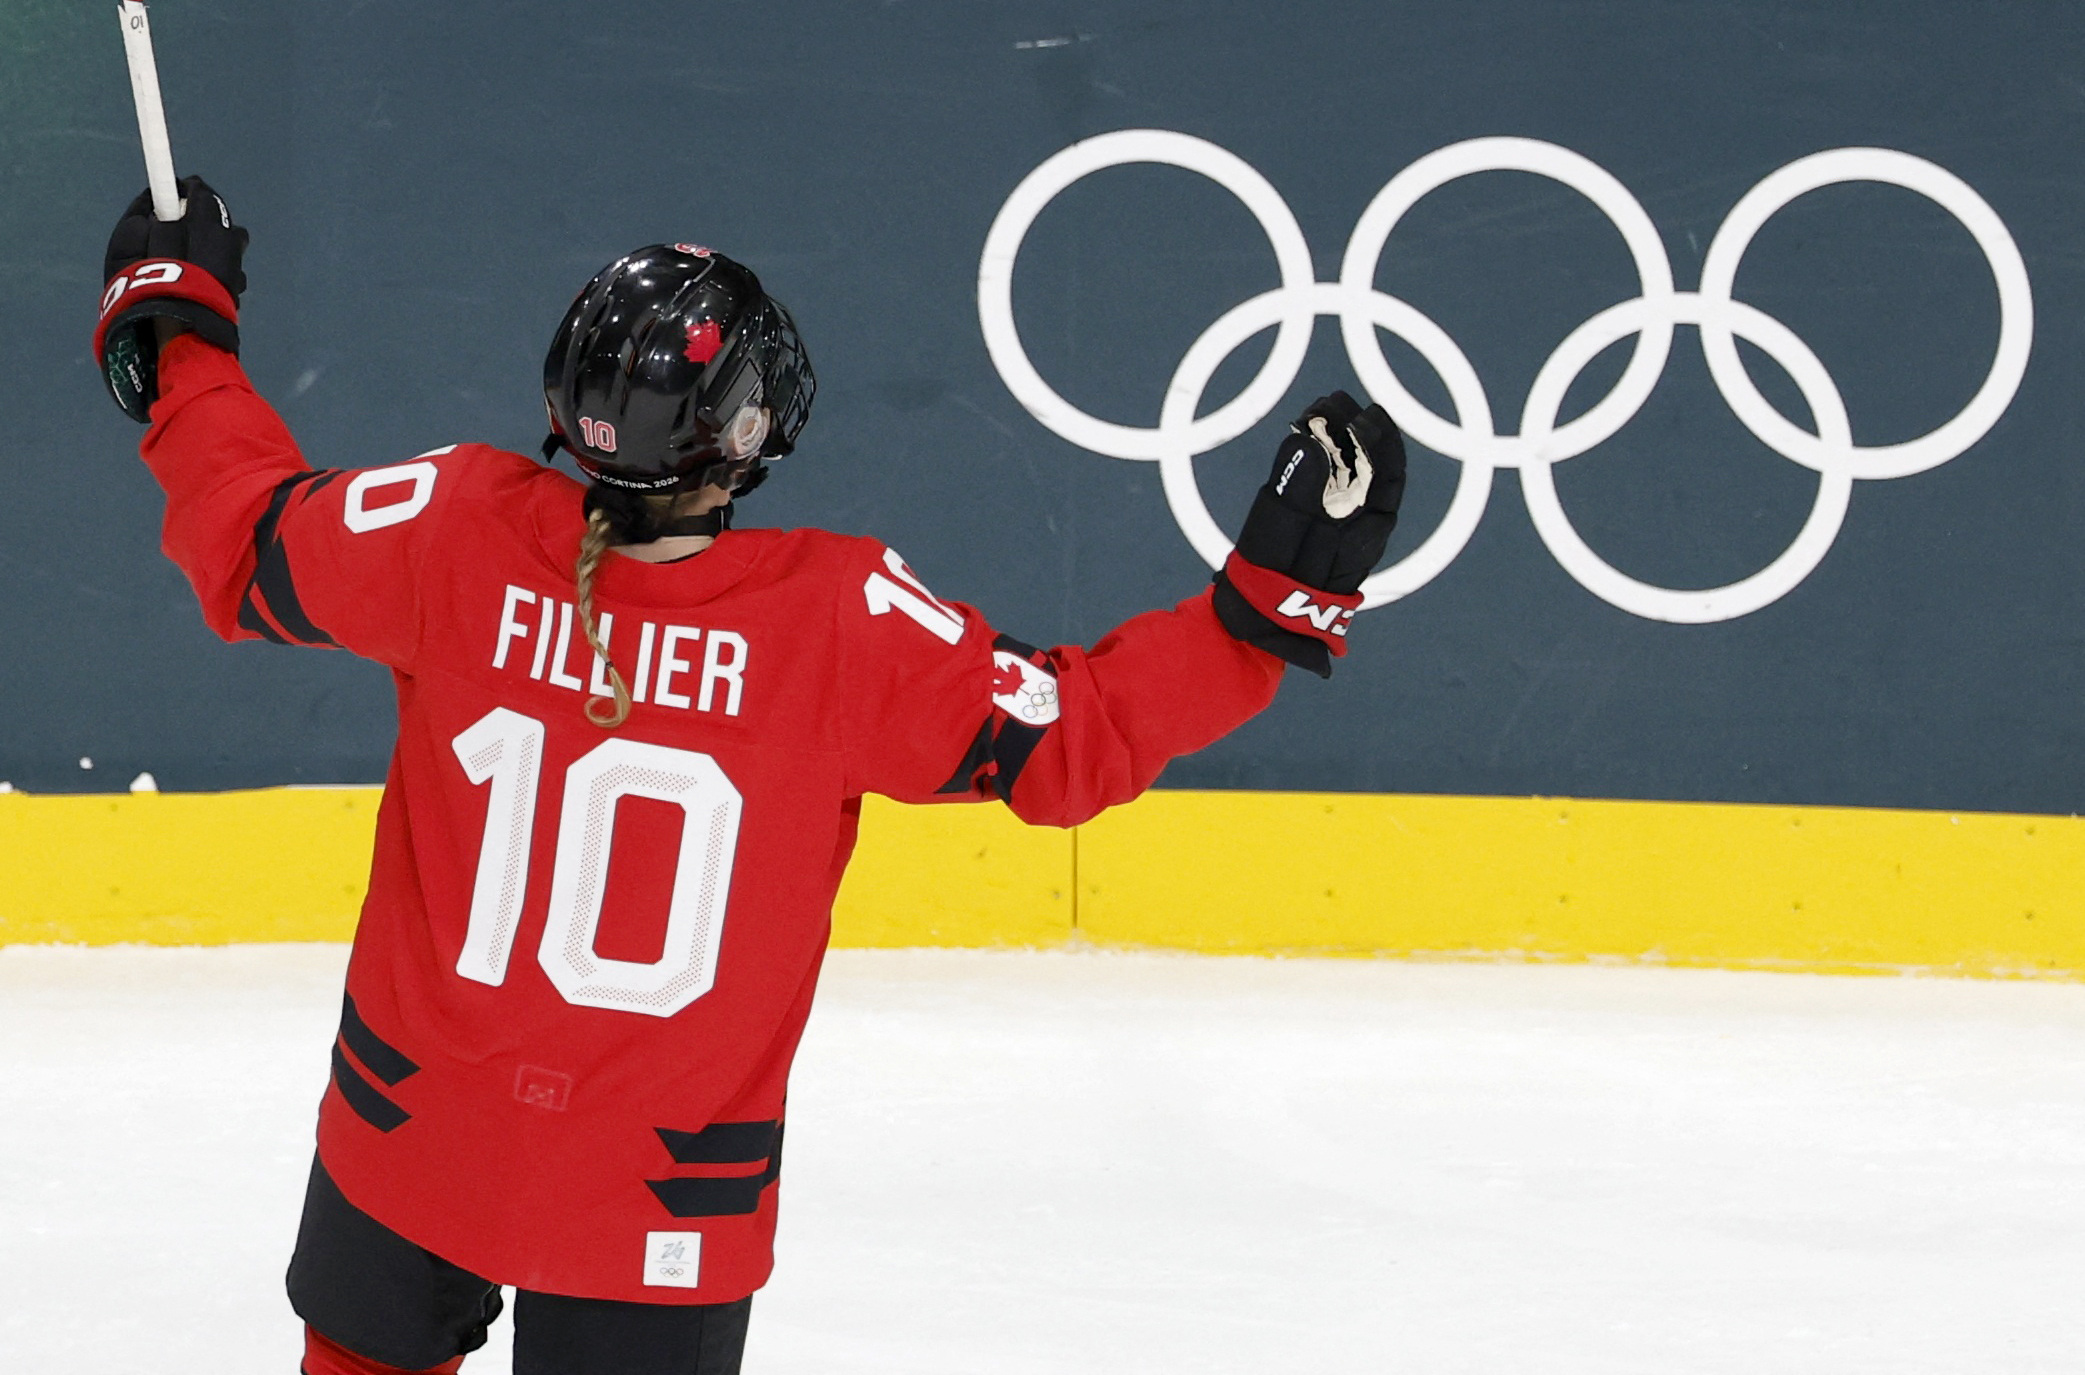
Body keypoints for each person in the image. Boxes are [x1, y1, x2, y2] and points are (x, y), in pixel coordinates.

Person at [94, 177, 1407, 1375]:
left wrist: (178, 333)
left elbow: (241, 535)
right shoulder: (837, 622)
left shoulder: (450, 528)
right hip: (661, 1193)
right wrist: (1268, 607)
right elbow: (1073, 742)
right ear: (738, 433)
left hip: (407, 1134)